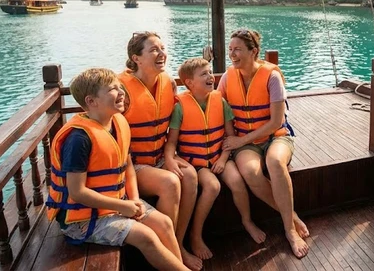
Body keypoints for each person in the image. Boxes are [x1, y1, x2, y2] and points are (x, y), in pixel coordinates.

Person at [46, 68, 188, 271]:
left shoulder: (118, 122)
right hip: (83, 220)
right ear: (91, 101)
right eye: (112, 89)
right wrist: (122, 207)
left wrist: (135, 199)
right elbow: (77, 192)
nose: (121, 92)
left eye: (119, 86)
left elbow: (127, 165)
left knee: (164, 223)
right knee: (146, 236)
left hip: (118, 203)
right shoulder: (79, 139)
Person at [218, 29, 310, 258]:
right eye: (230, 50)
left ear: (254, 52)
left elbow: (276, 121)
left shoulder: (272, 77)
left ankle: (289, 230)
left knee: (276, 162)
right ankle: (293, 216)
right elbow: (214, 105)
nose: (232, 54)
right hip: (246, 144)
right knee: (250, 171)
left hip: (275, 136)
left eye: (238, 49)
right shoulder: (228, 78)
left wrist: (240, 140)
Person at [167, 58, 267, 262]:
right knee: (212, 186)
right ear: (189, 83)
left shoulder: (220, 102)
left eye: (210, 72)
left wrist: (222, 159)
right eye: (203, 74)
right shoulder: (180, 107)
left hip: (219, 156)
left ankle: (247, 221)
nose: (210, 76)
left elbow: (229, 138)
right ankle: (195, 236)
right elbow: (172, 142)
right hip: (197, 162)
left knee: (237, 181)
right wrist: (171, 158)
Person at [119, 32, 201, 270]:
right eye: (154, 49)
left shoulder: (168, 83)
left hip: (159, 157)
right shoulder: (121, 89)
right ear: (136, 58)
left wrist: (169, 157)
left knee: (191, 176)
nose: (161, 53)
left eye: (162, 48)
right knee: (170, 183)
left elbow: (170, 131)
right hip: (132, 165)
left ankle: (178, 243)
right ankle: (169, 256)